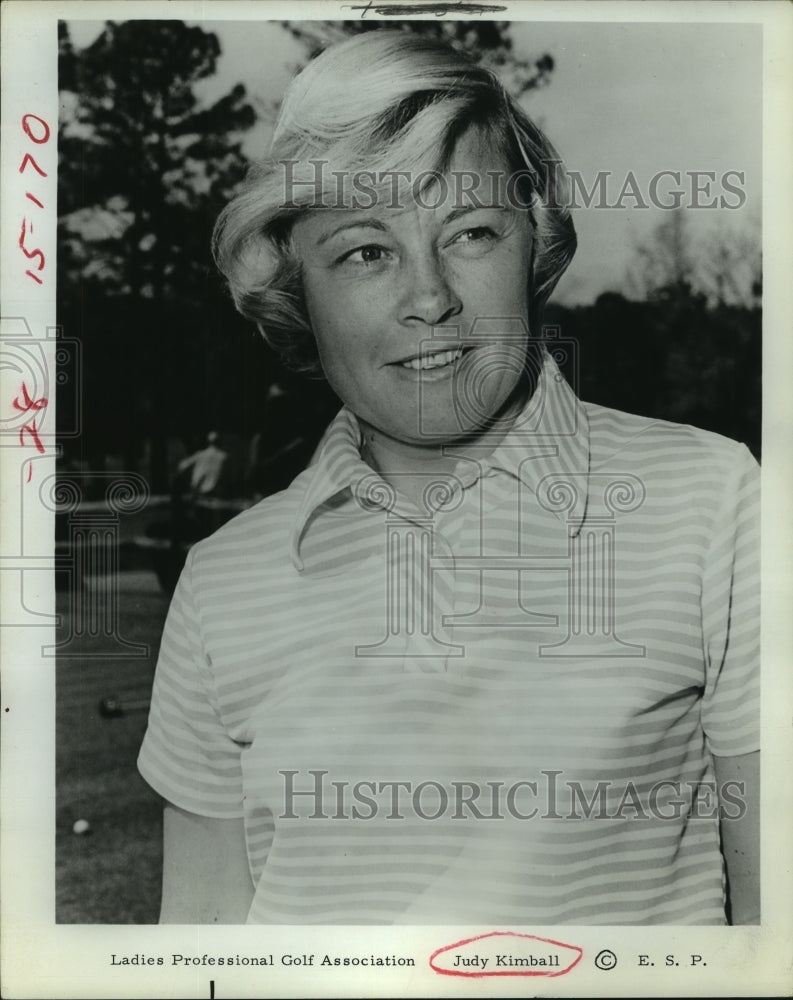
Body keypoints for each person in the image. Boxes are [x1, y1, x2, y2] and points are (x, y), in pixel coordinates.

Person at [138, 30, 759, 925]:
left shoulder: (715, 503)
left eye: (469, 232)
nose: (428, 296)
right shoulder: (222, 582)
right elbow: (197, 943)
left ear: (532, 244)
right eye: (365, 251)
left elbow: (772, 927)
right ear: (296, 289)